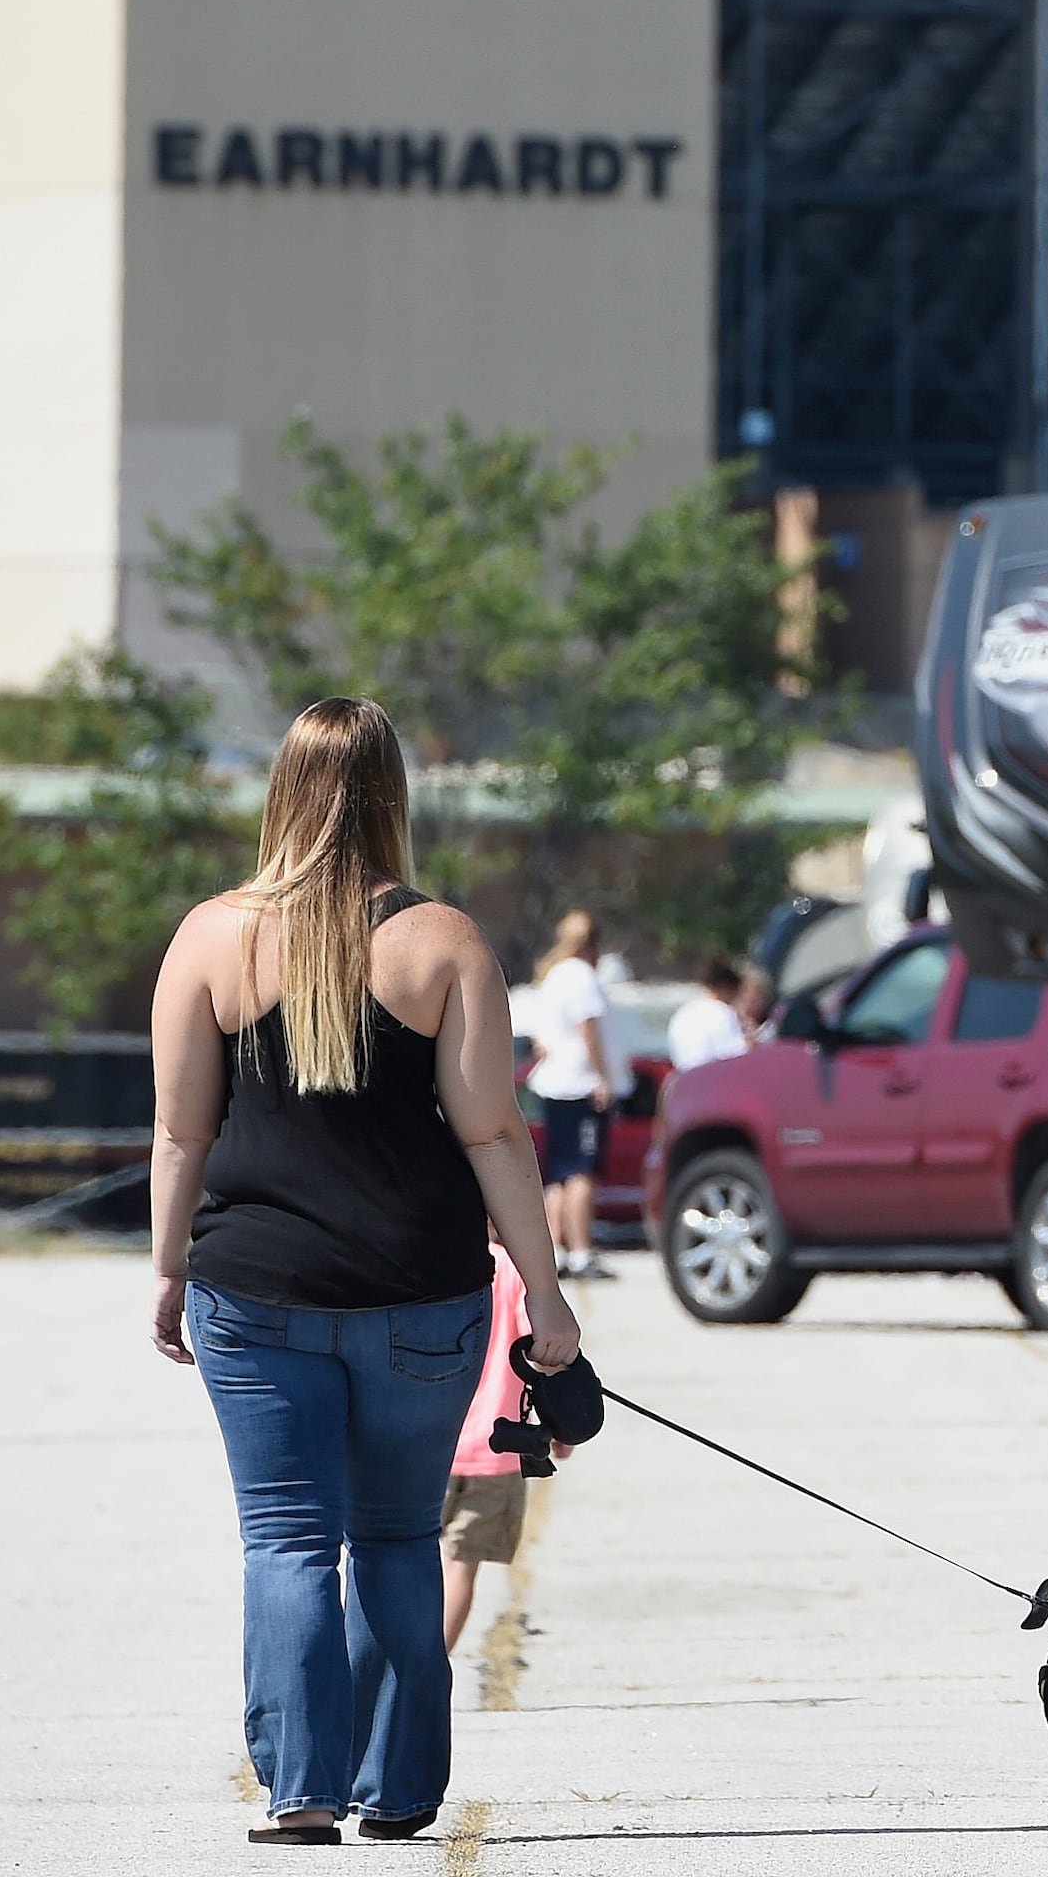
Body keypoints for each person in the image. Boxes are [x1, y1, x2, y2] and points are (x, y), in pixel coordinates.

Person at [148, 696, 580, 1848]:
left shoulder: (210, 937)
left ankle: (300, 1789)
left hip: (254, 1288)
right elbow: (495, 1133)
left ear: (282, 789)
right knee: (397, 1538)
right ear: (395, 794)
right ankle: (397, 1791)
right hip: (424, 1294)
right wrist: (545, 1292)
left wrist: (164, 1266)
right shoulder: (446, 941)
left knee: (287, 1539)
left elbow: (181, 1130)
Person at [440, 1237, 558, 1653]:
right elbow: (543, 1354)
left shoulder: (440, 1258)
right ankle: (433, 1665)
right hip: (496, 1446)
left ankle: (402, 1667)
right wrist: (558, 1427)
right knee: (460, 1568)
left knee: (407, 1558)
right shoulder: (515, 1271)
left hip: (430, 1443)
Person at [523, 911, 617, 1281]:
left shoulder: (551, 976)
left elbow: (539, 1039)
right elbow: (588, 1029)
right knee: (582, 1171)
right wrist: (602, 1077)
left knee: (558, 1174)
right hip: (580, 1083)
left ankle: (557, 1249)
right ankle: (581, 1251)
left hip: (553, 1084)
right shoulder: (581, 976)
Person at [663, 954, 754, 1072]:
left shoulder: (682, 1014)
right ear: (726, 988)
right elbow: (736, 1056)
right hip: (713, 1081)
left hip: (686, 1081)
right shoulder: (722, 1013)